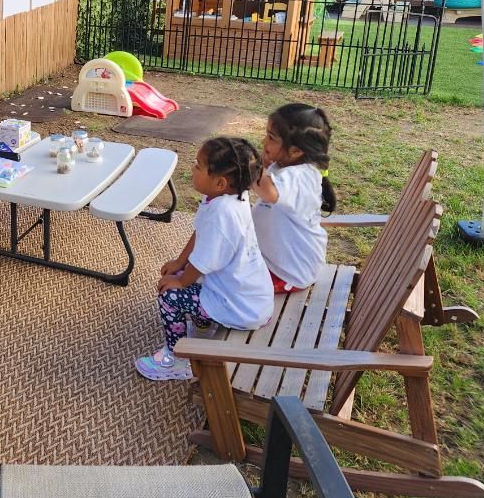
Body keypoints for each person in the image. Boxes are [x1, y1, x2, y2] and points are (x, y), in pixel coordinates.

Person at [135, 138, 274, 382]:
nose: (192, 169)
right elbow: (200, 231)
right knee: (177, 277)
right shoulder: (225, 198)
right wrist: (179, 263)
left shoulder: (223, 214)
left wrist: (181, 281)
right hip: (245, 294)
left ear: (220, 183)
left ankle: (178, 360)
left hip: (240, 307)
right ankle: (202, 326)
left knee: (169, 295)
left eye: (198, 166)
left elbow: (203, 263)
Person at [251, 103, 336, 293]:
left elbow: (268, 191)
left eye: (271, 138)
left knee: (221, 280)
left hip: (288, 272)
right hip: (275, 261)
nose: (264, 141)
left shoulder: (301, 176)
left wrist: (247, 163)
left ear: (296, 151)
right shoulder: (285, 167)